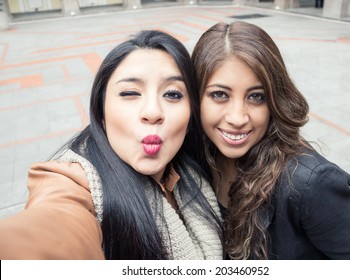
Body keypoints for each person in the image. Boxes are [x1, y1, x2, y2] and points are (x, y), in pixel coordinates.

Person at [0, 30, 223, 260]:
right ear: (102, 113)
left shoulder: (197, 167)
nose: (153, 112)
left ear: (190, 118)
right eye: (129, 92)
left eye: (173, 94)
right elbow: (51, 230)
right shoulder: (75, 182)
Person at [191, 21, 350, 260]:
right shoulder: (193, 161)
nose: (237, 117)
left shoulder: (312, 184)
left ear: (274, 101)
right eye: (219, 95)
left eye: (256, 96)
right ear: (196, 98)